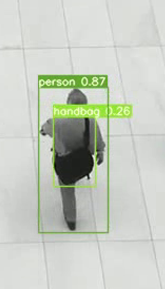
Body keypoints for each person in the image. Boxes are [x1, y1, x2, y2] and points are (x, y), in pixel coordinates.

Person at [39, 90, 105, 231]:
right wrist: (100, 152)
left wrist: (44, 131)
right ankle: (77, 177)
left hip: (65, 163)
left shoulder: (57, 121)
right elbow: (97, 138)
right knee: (75, 174)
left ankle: (71, 220)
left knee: (67, 190)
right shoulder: (90, 121)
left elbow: (44, 129)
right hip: (83, 161)